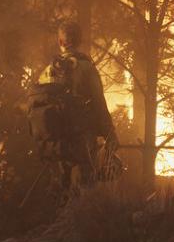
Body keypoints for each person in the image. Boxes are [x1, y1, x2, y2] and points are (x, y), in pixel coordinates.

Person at [37, 21, 118, 191]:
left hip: (56, 140)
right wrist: (110, 135)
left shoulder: (48, 71)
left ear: (60, 41)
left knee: (60, 188)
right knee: (85, 186)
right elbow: (99, 103)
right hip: (83, 138)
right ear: (80, 41)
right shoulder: (87, 68)